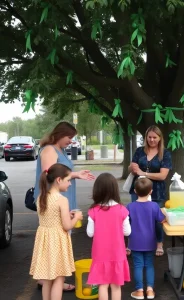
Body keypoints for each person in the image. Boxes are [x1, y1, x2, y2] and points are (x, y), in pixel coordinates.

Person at [34, 121, 95, 292]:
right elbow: (50, 174)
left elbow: (60, 175)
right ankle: (55, 278)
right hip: (56, 203)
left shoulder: (59, 150)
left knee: (57, 244)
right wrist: (76, 216)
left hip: (60, 200)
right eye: (69, 137)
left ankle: (52, 278)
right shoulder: (49, 150)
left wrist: (76, 175)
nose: (71, 141)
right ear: (61, 134)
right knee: (58, 242)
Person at [30, 163, 83, 300]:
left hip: (44, 242)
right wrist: (76, 217)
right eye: (68, 180)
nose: (70, 184)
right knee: (59, 279)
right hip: (57, 242)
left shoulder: (41, 197)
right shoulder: (62, 200)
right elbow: (66, 226)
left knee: (47, 279)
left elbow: (50, 217)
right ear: (59, 180)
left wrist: (67, 215)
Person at [128, 125, 172, 256]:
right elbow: (131, 168)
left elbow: (163, 175)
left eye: (155, 137)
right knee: (134, 218)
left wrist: (143, 173)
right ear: (146, 137)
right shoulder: (139, 151)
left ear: (160, 138)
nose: (152, 140)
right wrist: (132, 167)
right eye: (149, 137)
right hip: (138, 189)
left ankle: (159, 243)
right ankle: (131, 243)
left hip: (157, 191)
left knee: (157, 219)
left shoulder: (165, 153)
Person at [86, 173, 131, 300]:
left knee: (102, 285)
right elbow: (127, 232)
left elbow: (90, 233)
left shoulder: (94, 210)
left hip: (100, 255)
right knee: (116, 285)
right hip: (117, 254)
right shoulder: (122, 209)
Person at [127, 177, 166, 300]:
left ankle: (139, 291)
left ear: (135, 191)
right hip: (150, 241)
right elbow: (162, 220)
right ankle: (150, 290)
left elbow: (125, 223)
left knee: (138, 265)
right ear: (151, 191)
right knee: (149, 265)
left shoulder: (130, 206)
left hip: (135, 241)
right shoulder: (154, 206)